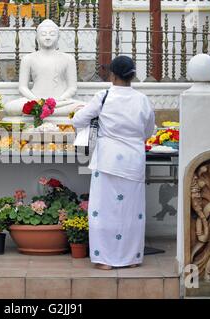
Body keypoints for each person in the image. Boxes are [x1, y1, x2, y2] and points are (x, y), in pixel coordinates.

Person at [71, 56, 155, 270]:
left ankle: (105, 260)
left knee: (104, 209)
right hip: (133, 160)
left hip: (108, 159)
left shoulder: (104, 96)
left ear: (113, 75)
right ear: (132, 75)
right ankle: (131, 258)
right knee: (132, 210)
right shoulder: (142, 99)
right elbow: (148, 131)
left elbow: (77, 120)